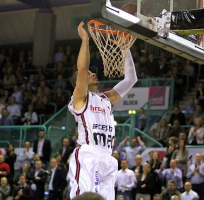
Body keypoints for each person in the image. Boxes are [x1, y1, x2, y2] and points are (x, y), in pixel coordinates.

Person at [68, 22, 137, 199]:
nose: (92, 74)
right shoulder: (80, 100)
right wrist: (85, 40)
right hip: (89, 154)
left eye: (92, 72)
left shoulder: (106, 99)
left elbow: (131, 80)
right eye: (88, 74)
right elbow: (82, 69)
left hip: (107, 157)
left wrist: (125, 49)